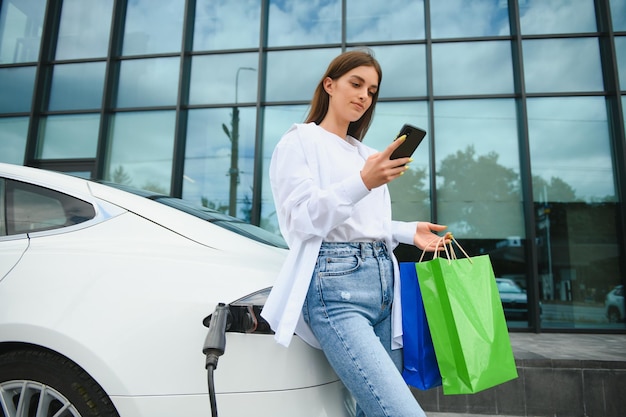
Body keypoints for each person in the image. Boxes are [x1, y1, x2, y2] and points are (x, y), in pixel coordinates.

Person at [261, 49, 447, 417]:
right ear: (329, 85)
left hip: (384, 284)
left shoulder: (368, 154)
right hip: (336, 290)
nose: (364, 96)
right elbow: (301, 220)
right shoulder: (299, 141)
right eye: (356, 83)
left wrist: (410, 232)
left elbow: (365, 227)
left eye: (372, 90)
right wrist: (363, 181)